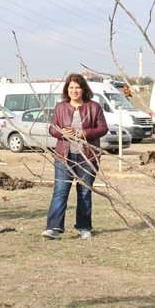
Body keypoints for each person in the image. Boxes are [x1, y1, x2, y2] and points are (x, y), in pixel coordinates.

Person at [42, 73, 108, 240]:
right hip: (64, 156)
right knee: (60, 191)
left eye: (77, 87)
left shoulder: (94, 107)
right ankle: (54, 228)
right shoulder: (60, 107)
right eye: (71, 87)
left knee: (85, 192)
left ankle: (84, 227)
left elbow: (103, 128)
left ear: (83, 88)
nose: (74, 90)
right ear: (67, 89)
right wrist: (62, 132)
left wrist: (83, 133)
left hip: (88, 157)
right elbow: (52, 129)